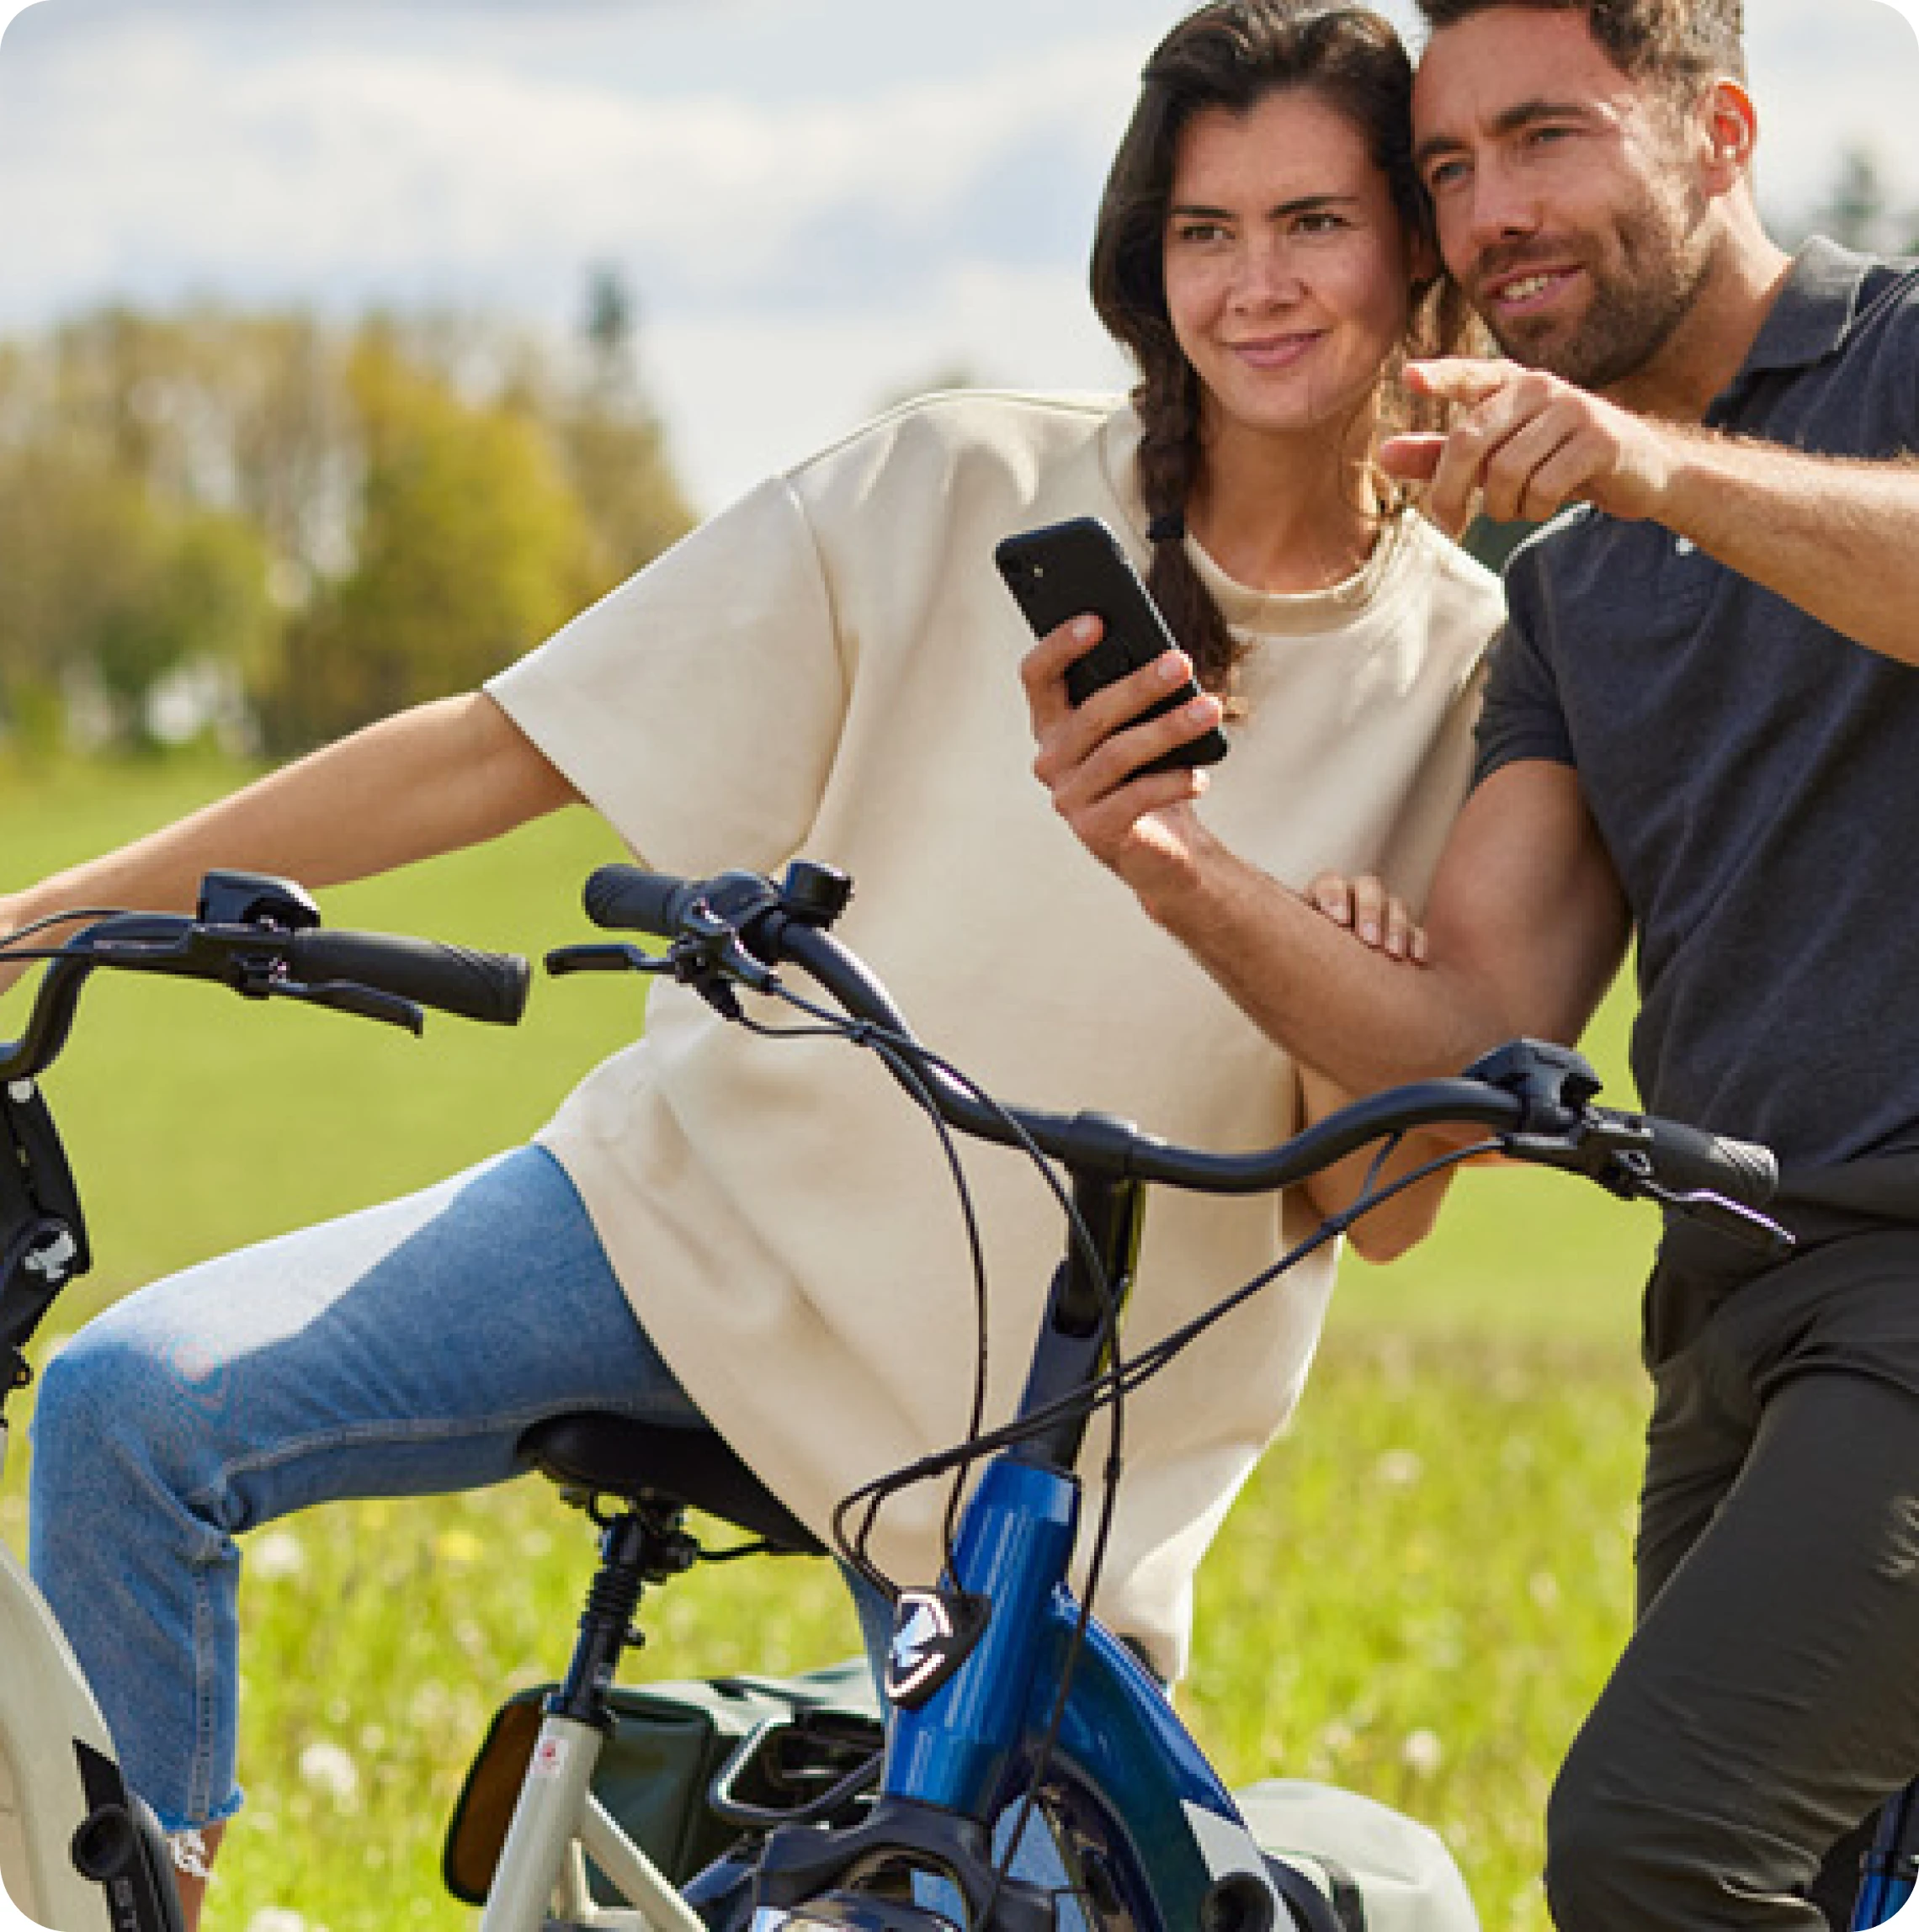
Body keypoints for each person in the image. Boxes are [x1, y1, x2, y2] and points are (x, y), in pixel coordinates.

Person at [0, 4, 1502, 1919]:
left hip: (1022, 1439)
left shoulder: (1472, 670)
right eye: (1207, 232)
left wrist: (1336, 978)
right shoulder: (959, 485)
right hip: (679, 1224)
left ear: (1414, 250)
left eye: (1314, 222)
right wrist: (47, 911)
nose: (1257, 283)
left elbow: (1376, 1214)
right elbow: (501, 739)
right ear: (1147, 261)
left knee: (1037, 1892)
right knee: (135, 1404)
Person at [1023, 3, 1919, 1929]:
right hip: (1743, 1310)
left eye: (1544, 139)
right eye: (1447, 170)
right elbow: (1480, 1035)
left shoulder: (1897, 357)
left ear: (1721, 130)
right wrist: (1174, 864)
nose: (1490, 211)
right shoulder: (1573, 580)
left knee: (1666, 1848)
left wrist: (1660, 469)